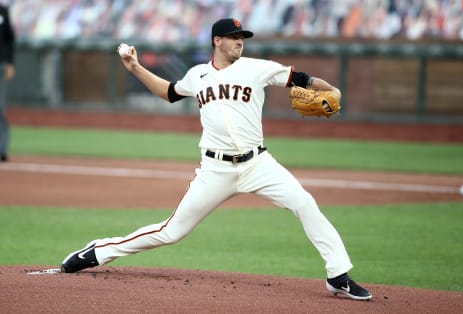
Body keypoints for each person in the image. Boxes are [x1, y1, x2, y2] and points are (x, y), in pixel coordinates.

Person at [60, 18, 372, 301]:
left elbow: (302, 78)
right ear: (216, 41)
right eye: (233, 37)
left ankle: (338, 276)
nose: (239, 42)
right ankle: (98, 251)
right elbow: (169, 92)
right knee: (171, 232)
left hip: (258, 164)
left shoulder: (257, 67)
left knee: (304, 203)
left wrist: (332, 90)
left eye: (242, 37)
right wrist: (136, 68)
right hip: (215, 169)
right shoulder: (197, 75)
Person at [0, 3, 15, 162]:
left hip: (2, 65)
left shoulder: (3, 11)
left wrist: (10, 62)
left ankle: (2, 149)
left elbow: (10, 38)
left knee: (0, 107)